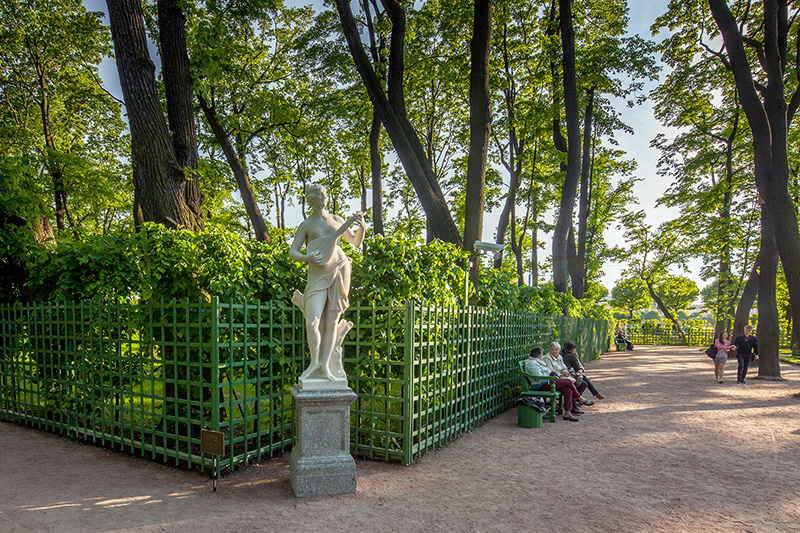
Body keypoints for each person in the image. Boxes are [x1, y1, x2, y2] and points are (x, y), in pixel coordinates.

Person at [290, 183, 366, 381]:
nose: (323, 198)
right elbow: (293, 251)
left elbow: (355, 242)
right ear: (311, 200)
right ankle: (314, 362)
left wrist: (362, 228)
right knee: (312, 322)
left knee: (332, 322)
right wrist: (307, 258)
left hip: (340, 269)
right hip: (316, 274)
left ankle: (325, 365)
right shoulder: (306, 225)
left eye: (324, 194)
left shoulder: (337, 220)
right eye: (319, 195)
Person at [524, 347, 593, 422]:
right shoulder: (532, 364)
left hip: (547, 382)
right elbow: (538, 377)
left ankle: (567, 413)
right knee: (568, 382)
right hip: (540, 385)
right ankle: (580, 399)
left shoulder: (537, 362)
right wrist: (550, 376)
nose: (542, 355)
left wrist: (554, 375)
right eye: (541, 354)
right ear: (538, 355)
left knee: (568, 391)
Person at [543, 342, 594, 414]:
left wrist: (566, 372)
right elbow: (551, 371)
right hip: (555, 379)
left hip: (563, 376)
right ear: (550, 350)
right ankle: (578, 401)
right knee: (573, 384)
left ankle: (568, 411)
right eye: (553, 350)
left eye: (556, 350)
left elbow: (564, 367)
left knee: (580, 385)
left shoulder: (559, 357)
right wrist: (561, 374)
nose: (554, 351)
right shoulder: (547, 358)